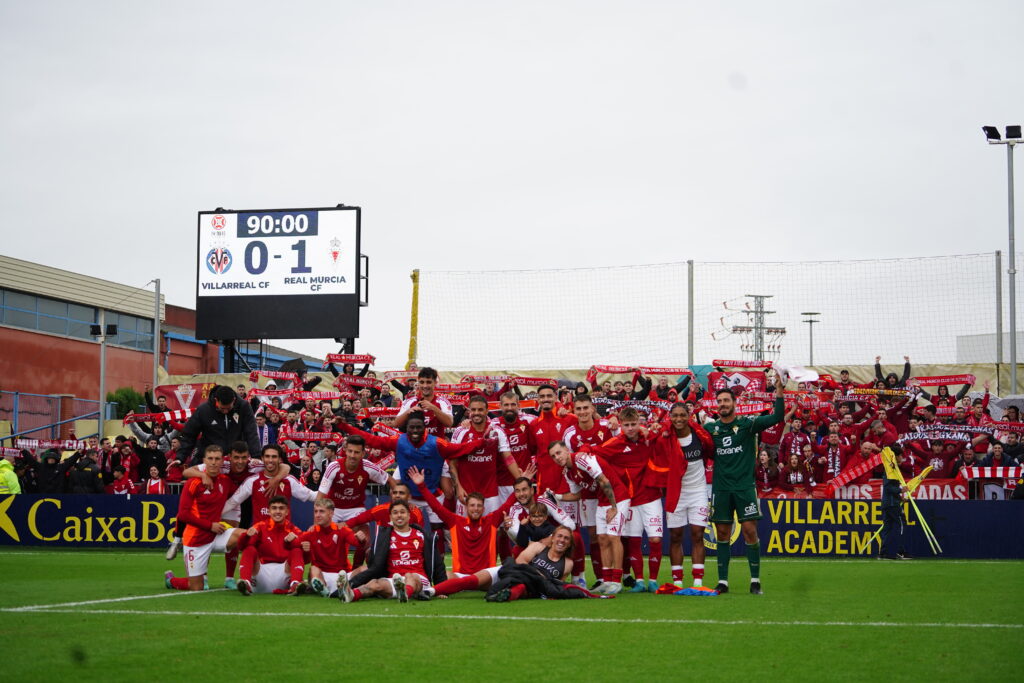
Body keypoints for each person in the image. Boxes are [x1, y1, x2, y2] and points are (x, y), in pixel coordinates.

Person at [706, 377, 786, 595]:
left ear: (734, 403)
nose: (722, 404)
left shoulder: (748, 425)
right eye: (719, 401)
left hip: (744, 487)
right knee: (722, 534)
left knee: (750, 531)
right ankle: (722, 582)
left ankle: (755, 580)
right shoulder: (710, 429)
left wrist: (779, 391)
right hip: (721, 489)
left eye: (726, 401)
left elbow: (778, 417)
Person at [408, 465, 510, 596]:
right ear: (466, 508)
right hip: (460, 576)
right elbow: (436, 507)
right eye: (472, 505)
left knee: (501, 574)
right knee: (446, 576)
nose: (476, 509)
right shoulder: (455, 521)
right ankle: (429, 591)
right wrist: (421, 486)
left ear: (484, 509)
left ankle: (435, 591)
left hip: (485, 576)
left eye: (479, 506)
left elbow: (508, 503)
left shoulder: (491, 521)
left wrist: (523, 479)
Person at [545, 440, 630, 594]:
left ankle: (617, 581)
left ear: (566, 450)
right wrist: (556, 496)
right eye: (553, 456)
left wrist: (613, 507)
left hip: (618, 498)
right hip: (602, 501)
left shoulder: (581, 459)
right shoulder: (568, 472)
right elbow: (576, 495)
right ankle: (607, 580)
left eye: (558, 452)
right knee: (602, 539)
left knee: (613, 537)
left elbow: (604, 480)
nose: (557, 457)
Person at [341, 500, 443, 603]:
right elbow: (374, 564)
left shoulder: (422, 536)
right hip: (395, 580)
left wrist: (442, 588)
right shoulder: (384, 537)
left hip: (419, 579)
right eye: (395, 513)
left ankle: (405, 593)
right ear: (390, 517)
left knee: (410, 576)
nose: (399, 515)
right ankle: (352, 595)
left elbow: (437, 563)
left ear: (409, 515)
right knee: (375, 583)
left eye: (402, 512)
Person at [164, 445, 235, 591]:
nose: (214, 462)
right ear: (204, 461)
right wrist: (210, 526)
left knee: (246, 536)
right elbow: (183, 515)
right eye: (210, 459)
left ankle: (246, 580)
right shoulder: (193, 483)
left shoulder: (225, 481)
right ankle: (172, 581)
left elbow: (244, 492)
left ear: (223, 462)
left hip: (216, 535)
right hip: (196, 539)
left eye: (217, 459)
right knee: (196, 587)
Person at [659, 402, 715, 588]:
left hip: (698, 491)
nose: (679, 419)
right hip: (677, 492)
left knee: (698, 534)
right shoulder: (665, 437)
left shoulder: (699, 435)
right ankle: (678, 581)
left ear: (689, 415)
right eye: (675, 415)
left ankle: (698, 581)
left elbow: (711, 450)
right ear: (670, 417)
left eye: (682, 415)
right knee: (675, 536)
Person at [484, 527, 597, 602]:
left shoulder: (568, 563)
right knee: (478, 579)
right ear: (552, 539)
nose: (562, 540)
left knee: (522, 587)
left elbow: (556, 583)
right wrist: (537, 574)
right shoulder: (538, 547)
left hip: (533, 587)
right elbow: (519, 563)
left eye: (566, 538)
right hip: (516, 574)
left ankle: (504, 595)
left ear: (569, 544)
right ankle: (477, 587)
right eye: (559, 536)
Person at [448, 395, 518, 515]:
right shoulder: (460, 432)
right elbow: (452, 463)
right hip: (466, 493)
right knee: (464, 530)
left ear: (487, 411)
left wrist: (520, 480)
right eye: (473, 410)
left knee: (493, 530)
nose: (477, 413)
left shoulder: (497, 431)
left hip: (490, 494)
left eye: (480, 410)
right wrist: (458, 487)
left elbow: (508, 458)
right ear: (469, 411)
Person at [226, 444, 317, 526]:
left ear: (280, 459)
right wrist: (212, 518)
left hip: (284, 535)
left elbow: (312, 496)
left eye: (274, 457)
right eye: (267, 456)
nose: (270, 460)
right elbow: (232, 502)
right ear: (262, 458)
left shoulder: (289, 480)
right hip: (260, 536)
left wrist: (330, 490)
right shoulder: (252, 481)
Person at [236, 496, 307, 595]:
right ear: (268, 511)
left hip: (284, 575)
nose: (277, 511)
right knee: (249, 549)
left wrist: (301, 545)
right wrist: (246, 536)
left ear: (287, 512)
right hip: (261, 576)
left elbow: (306, 559)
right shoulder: (260, 526)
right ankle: (245, 583)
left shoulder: (294, 530)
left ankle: (295, 585)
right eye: (274, 508)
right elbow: (241, 547)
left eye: (281, 508)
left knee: (296, 550)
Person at [176, 385, 260, 464]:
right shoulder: (204, 410)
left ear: (234, 400)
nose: (226, 411)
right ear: (216, 401)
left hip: (235, 459)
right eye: (222, 408)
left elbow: (251, 433)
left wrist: (256, 456)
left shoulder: (244, 407)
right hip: (210, 459)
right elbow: (189, 435)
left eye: (229, 408)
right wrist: (180, 458)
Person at [300, 499, 361, 597]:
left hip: (343, 575)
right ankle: (324, 589)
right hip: (322, 575)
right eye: (316, 511)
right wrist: (290, 540)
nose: (318, 515)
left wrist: (361, 539)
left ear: (331, 513)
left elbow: (357, 543)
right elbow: (294, 543)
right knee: (313, 569)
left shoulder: (342, 529)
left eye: (322, 511)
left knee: (365, 569)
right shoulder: (311, 532)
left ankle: (343, 587)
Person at [394, 367, 454, 437]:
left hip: (435, 446)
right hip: (415, 446)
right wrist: (409, 411)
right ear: (418, 382)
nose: (425, 386)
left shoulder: (443, 402)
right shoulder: (409, 401)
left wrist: (433, 408)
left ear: (435, 382)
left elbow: (449, 423)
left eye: (428, 382)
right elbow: (396, 424)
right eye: (422, 382)